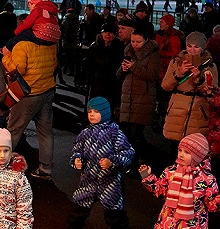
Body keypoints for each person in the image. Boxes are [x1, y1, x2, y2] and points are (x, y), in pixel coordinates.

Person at [53, 98, 136, 229]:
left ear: (104, 113)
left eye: (96, 112)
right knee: (78, 210)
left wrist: (113, 161)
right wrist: (77, 159)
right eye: (89, 111)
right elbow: (77, 149)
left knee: (115, 216)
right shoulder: (85, 133)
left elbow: (128, 153)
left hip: (109, 182)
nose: (91, 115)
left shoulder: (115, 132)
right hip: (88, 180)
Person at [2, 20, 58, 180]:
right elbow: (55, 65)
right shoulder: (51, 43)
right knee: (45, 132)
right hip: (47, 91)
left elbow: (18, 70)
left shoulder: (22, 45)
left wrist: (6, 58)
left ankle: (2, 167)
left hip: (27, 95)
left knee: (13, 130)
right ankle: (46, 169)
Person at [161, 31, 218, 144]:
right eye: (189, 46)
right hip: (177, 109)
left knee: (193, 150)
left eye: (196, 47)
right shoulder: (176, 61)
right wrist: (179, 72)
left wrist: (198, 79)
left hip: (198, 110)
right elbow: (165, 86)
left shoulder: (210, 65)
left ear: (203, 48)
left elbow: (212, 93)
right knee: (174, 147)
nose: (192, 50)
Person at [116, 29, 160, 165]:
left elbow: (153, 75)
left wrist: (134, 67)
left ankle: (147, 159)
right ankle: (134, 161)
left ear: (146, 40)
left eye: (138, 42)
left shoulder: (153, 55)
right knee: (128, 133)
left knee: (136, 133)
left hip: (142, 98)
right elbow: (118, 75)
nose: (135, 44)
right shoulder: (128, 52)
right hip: (127, 96)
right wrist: (123, 69)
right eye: (133, 41)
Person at [86, 21, 125, 113]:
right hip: (97, 82)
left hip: (112, 84)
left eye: (110, 32)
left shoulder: (119, 47)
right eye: (105, 32)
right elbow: (88, 64)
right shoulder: (95, 46)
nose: (107, 35)